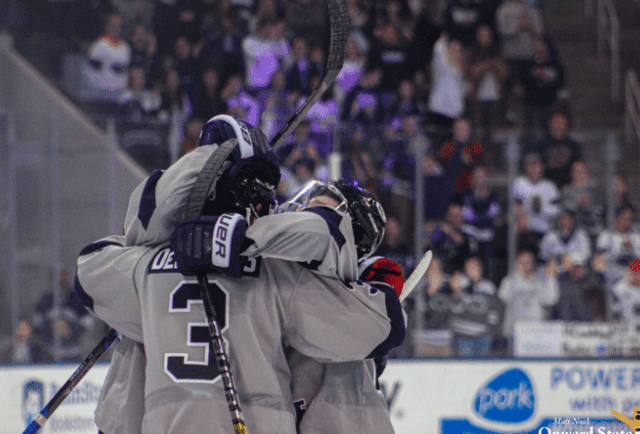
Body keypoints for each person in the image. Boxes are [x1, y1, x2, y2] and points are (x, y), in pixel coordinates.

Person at [76, 116, 404, 434]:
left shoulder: (146, 267)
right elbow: (382, 325)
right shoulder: (277, 273)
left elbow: (107, 255)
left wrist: (211, 157)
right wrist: (371, 291)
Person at [497, 248, 559, 351]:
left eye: (529, 261)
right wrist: (517, 274)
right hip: (514, 333)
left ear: (533, 264)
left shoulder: (540, 281)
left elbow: (550, 300)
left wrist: (551, 277)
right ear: (517, 263)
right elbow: (503, 297)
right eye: (523, 262)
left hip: (536, 334)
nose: (526, 265)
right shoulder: (509, 280)